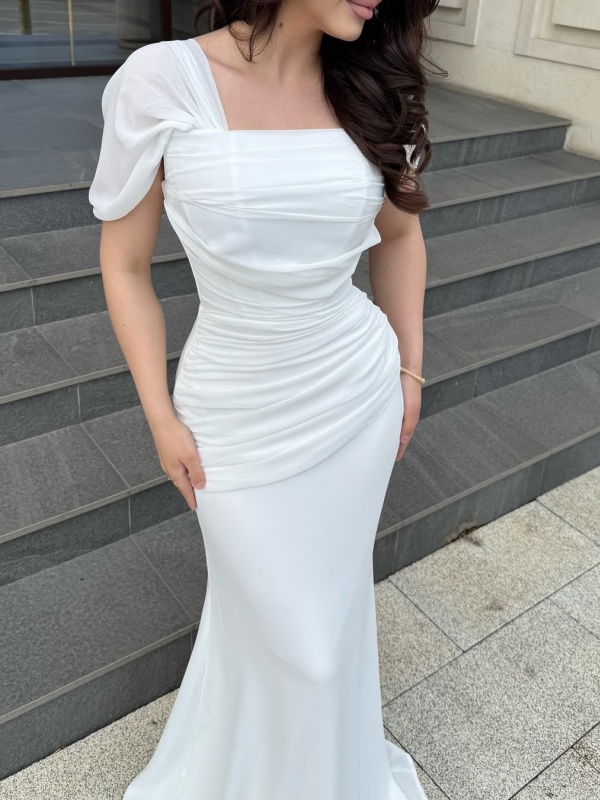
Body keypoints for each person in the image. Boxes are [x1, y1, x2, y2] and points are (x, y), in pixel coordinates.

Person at [88, 1, 441, 797]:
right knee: (287, 633)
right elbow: (125, 265)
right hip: (233, 415)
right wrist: (157, 415)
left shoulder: (365, 87)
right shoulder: (163, 81)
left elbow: (401, 235)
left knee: (328, 619)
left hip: (356, 395)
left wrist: (410, 370)